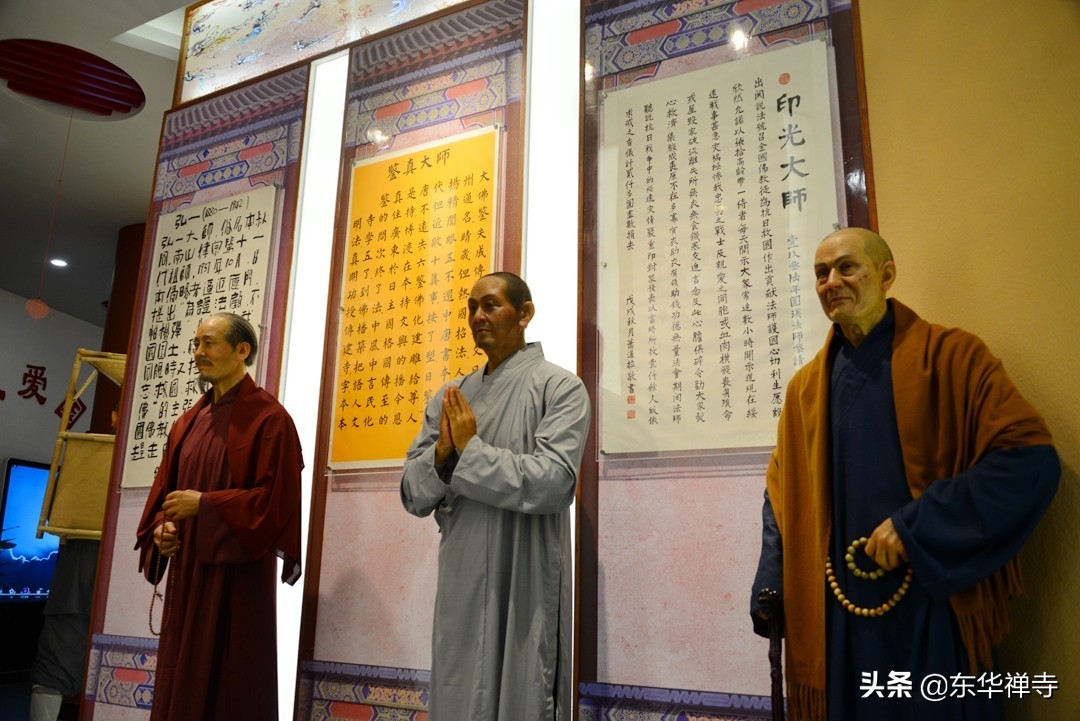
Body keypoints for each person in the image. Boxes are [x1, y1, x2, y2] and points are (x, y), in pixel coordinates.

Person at [751, 227, 1059, 721]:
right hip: (838, 624)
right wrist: (772, 582)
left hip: (932, 608)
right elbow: (780, 495)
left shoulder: (952, 358)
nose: (832, 281)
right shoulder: (805, 389)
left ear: (887, 275)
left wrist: (919, 526)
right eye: (821, 273)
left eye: (847, 267)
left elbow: (1029, 459)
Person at [401, 272, 591, 721]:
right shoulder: (451, 397)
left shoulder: (560, 388)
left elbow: (554, 483)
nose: (477, 316)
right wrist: (444, 453)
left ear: (524, 314)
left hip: (525, 565)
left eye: (491, 305)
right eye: (471, 307)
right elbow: (412, 492)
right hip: (461, 572)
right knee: (458, 683)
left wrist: (470, 451)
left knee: (523, 688)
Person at [134, 312, 303, 721]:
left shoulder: (270, 419)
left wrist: (206, 506)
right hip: (188, 573)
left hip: (237, 578)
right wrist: (163, 530)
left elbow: (275, 504)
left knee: (232, 682)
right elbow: (164, 497)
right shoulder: (187, 423)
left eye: (209, 343)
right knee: (181, 673)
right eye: (196, 344)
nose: (198, 353)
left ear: (242, 350)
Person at [29, 404, 119, 721]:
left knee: (119, 668)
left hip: (120, 571)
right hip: (83, 567)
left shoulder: (86, 453)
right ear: (114, 415)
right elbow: (58, 512)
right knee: (56, 662)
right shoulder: (87, 452)